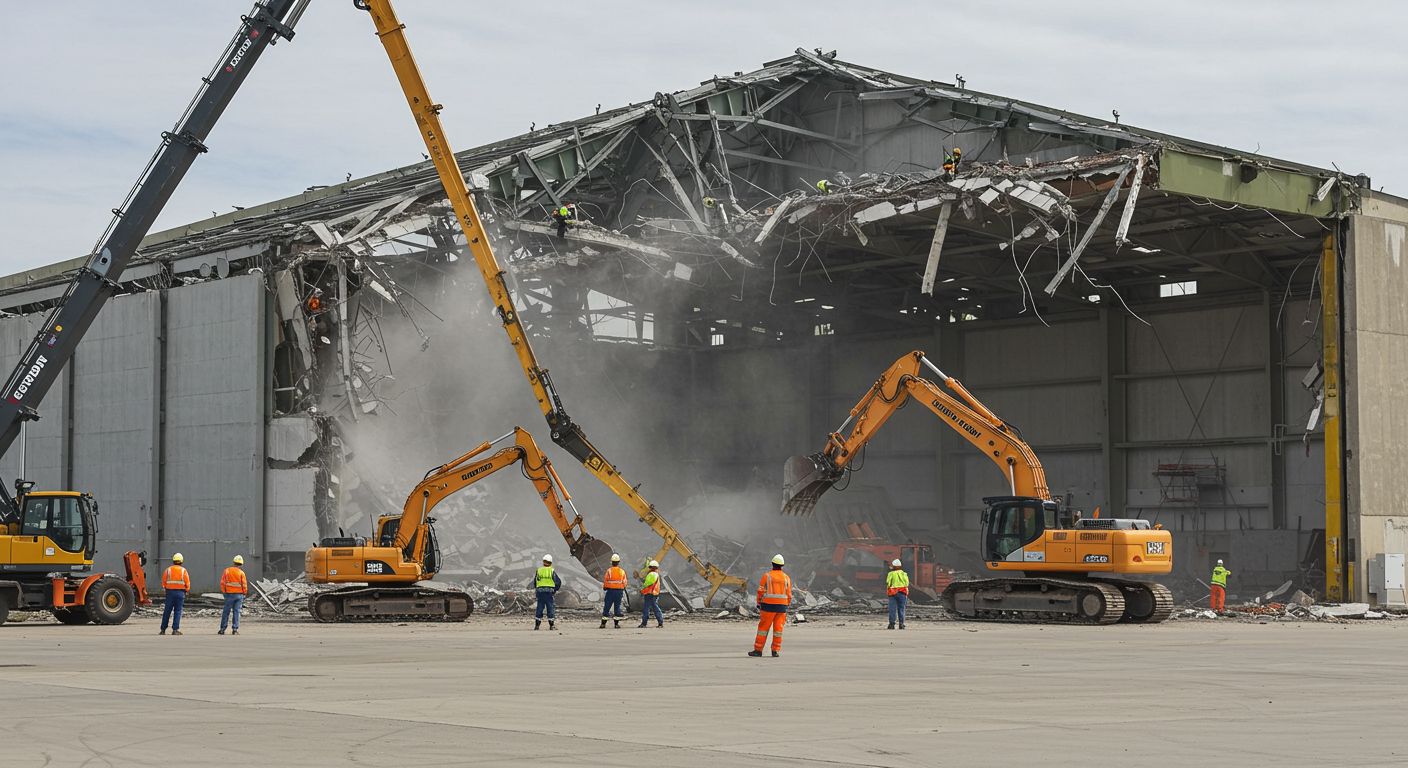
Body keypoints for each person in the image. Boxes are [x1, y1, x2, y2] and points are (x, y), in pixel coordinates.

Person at [748, 554, 792, 658]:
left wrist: (759, 603)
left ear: (772, 564)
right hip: (781, 607)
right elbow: (789, 594)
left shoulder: (767, 576)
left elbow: (760, 591)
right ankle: (775, 651)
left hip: (768, 606)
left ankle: (758, 650)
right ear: (782, 565)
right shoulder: (786, 578)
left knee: (763, 629)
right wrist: (786, 604)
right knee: (778, 630)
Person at [159, 553, 190, 636]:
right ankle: (175, 630)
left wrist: (165, 589)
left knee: (167, 611)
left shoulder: (168, 570)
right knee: (178, 611)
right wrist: (187, 590)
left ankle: (163, 630)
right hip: (180, 593)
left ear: (173, 560)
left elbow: (163, 582)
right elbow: (187, 582)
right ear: (181, 561)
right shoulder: (183, 570)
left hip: (170, 593)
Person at [219, 555, 248, 635]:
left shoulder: (227, 571)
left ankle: (222, 629)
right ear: (241, 564)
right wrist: (244, 593)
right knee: (236, 612)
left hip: (229, 594)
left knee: (226, 612)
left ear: (234, 562)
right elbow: (244, 584)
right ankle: (235, 629)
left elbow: (222, 583)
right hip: (239, 595)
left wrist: (224, 592)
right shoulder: (241, 573)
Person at [531, 554, 561, 630]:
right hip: (549, 592)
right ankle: (551, 625)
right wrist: (555, 590)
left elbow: (535, 582)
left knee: (539, 607)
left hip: (540, 592)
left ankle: (537, 626)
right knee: (550, 607)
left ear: (543, 562)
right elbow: (558, 582)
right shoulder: (551, 571)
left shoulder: (539, 570)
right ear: (551, 562)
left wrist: (537, 589)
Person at [600, 553, 628, 629]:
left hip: (610, 591)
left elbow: (606, 580)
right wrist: (622, 587)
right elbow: (625, 582)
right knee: (617, 607)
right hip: (619, 591)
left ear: (611, 562)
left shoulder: (609, 571)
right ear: (618, 562)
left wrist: (605, 587)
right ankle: (616, 624)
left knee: (607, 607)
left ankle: (603, 624)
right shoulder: (622, 571)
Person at [638, 560, 664, 628]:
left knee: (646, 608)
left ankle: (644, 623)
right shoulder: (656, 574)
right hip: (654, 593)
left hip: (649, 594)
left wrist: (642, 590)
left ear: (651, 567)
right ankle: (660, 622)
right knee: (655, 607)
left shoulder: (651, 574)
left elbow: (647, 584)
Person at [886, 558, 910, 630]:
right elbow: (907, 583)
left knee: (892, 609)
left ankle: (892, 624)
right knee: (901, 609)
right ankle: (901, 624)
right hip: (902, 593)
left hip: (892, 593)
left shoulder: (891, 574)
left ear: (894, 566)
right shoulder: (904, 574)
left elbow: (888, 582)